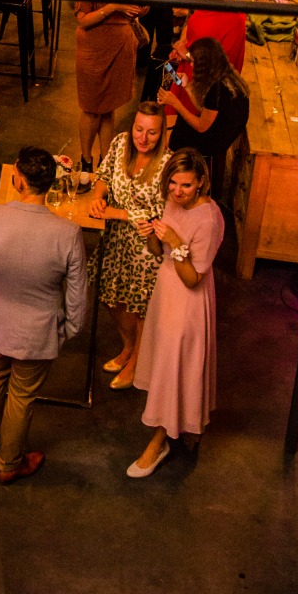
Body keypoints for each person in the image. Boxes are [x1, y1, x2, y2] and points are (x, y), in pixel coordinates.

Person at [0, 147, 89, 483]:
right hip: (39, 331)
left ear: (18, 181)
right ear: (50, 184)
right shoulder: (68, 233)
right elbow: (78, 295)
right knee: (22, 395)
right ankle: (9, 463)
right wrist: (67, 330)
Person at [128, 149, 225, 478]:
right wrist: (151, 238)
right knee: (167, 364)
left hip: (187, 303)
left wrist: (176, 241)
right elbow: (161, 253)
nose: (177, 191)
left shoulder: (209, 220)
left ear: (201, 183)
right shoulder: (172, 202)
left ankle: (160, 441)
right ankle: (177, 425)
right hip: (166, 291)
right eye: (172, 183)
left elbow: (194, 278)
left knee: (175, 367)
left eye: (185, 185)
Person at [90, 102, 172, 391]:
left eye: (152, 132)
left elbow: (160, 213)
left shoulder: (167, 164)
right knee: (111, 297)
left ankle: (137, 360)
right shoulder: (120, 143)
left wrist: (116, 213)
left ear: (161, 133)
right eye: (139, 129)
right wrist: (99, 196)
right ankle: (128, 347)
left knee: (139, 308)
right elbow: (103, 175)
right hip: (115, 239)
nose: (143, 138)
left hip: (146, 249)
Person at [74, 0, 148, 170]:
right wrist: (114, 6)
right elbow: (83, 20)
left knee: (108, 109)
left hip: (122, 48)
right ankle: (86, 159)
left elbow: (145, 5)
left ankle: (105, 162)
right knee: (91, 109)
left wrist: (139, 9)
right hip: (93, 51)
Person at [163, 36, 251, 194]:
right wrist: (187, 86)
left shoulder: (217, 90)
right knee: (181, 121)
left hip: (215, 141)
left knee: (176, 133)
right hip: (223, 131)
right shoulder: (226, 75)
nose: (191, 65)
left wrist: (176, 103)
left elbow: (201, 126)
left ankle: (174, 174)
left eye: (193, 62)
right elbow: (206, 110)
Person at [172, 0, 246, 73]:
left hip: (201, 79)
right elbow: (192, 31)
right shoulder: (208, 2)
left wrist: (186, 55)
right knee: (166, 72)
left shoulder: (235, 20)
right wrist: (180, 45)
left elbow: (222, 67)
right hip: (186, 69)